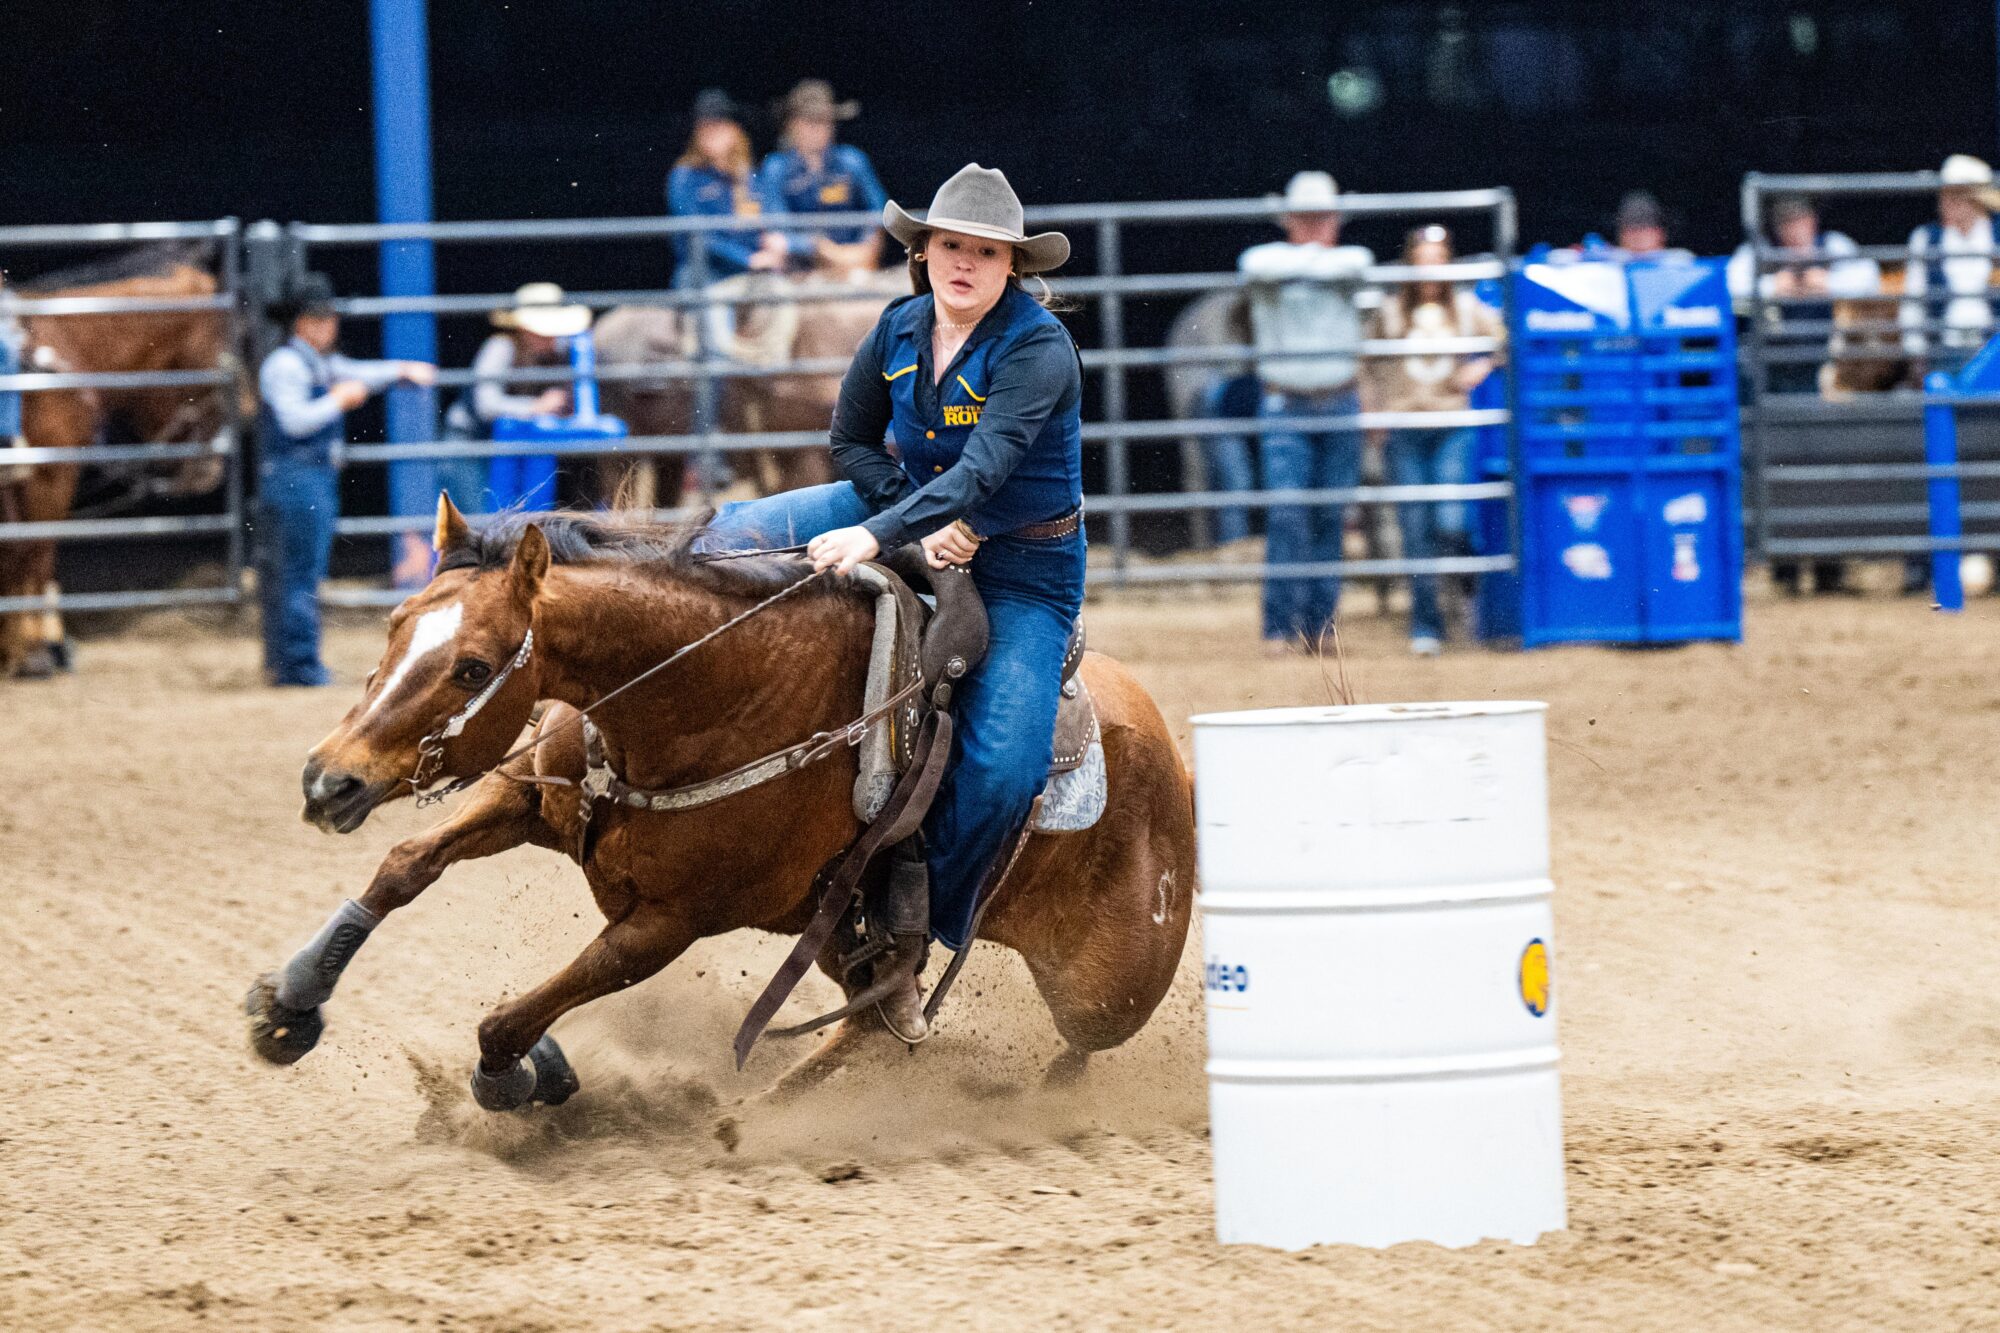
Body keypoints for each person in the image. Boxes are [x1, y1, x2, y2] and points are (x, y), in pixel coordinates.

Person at [701, 164, 1079, 1042]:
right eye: (951, 245)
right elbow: (849, 442)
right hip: (909, 516)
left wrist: (892, 532)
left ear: (1010, 269)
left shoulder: (1038, 349)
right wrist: (909, 523)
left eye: (987, 253)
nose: (965, 263)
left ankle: (909, 937)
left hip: (1025, 567)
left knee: (1003, 765)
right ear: (923, 252)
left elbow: (988, 469)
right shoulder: (898, 328)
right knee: (728, 535)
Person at [256, 273, 434, 685]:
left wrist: (399, 370)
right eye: (321, 319)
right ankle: (298, 664)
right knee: (300, 572)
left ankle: (295, 661)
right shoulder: (287, 365)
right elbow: (296, 420)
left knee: (300, 571)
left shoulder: (312, 362)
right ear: (303, 323)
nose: (329, 326)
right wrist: (339, 399)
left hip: (304, 476)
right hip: (298, 477)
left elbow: (357, 373)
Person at [1237, 170, 1374, 653]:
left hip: (1339, 399)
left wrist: (1305, 263)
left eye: (1323, 218)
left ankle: (1319, 626)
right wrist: (1318, 262)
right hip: (1287, 401)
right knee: (1289, 515)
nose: (1317, 226)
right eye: (1308, 218)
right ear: (1289, 220)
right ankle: (1280, 625)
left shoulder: (1349, 261)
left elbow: (1357, 264)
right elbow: (1255, 266)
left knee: (1330, 518)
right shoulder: (1268, 261)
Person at [1360, 224, 1505, 655]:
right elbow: (1364, 362)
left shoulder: (1465, 308)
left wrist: (1484, 364)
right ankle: (1427, 624)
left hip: (1450, 424)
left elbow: (1506, 336)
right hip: (1405, 429)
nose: (1429, 270)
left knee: (1450, 520)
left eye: (1438, 260)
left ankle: (1462, 594)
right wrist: (1372, 408)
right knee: (1414, 529)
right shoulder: (1389, 313)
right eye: (1422, 260)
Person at [1728, 195, 1879, 597]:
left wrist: (1823, 283)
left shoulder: (1836, 248)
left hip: (1827, 376)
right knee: (1779, 473)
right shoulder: (1757, 255)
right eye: (1787, 225)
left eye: (1800, 223)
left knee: (1829, 471)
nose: (1795, 232)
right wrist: (1775, 286)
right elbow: (1733, 285)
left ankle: (1831, 567)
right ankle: (1787, 568)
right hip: (1774, 382)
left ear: (1812, 222)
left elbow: (1868, 279)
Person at [443, 283, 592, 514]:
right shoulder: (501, 347)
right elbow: (486, 405)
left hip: (515, 448)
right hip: (472, 445)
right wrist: (536, 406)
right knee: (479, 520)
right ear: (523, 329)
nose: (551, 337)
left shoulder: (559, 352)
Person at [755, 80, 889, 274]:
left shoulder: (852, 160)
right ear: (792, 125)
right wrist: (819, 248)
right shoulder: (776, 167)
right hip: (800, 266)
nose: (818, 129)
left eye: (825, 121)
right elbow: (776, 228)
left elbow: (879, 214)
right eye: (810, 121)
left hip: (854, 263)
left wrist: (864, 251)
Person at [666, 88, 785, 284]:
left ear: (735, 130)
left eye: (719, 124)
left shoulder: (750, 177)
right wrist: (747, 259)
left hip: (754, 271)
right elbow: (699, 236)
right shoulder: (684, 177)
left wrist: (775, 240)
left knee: (782, 294)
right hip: (706, 273)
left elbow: (770, 215)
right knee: (716, 306)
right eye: (705, 126)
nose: (711, 132)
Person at [1901, 154, 2000, 372]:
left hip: (1994, 351)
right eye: (1944, 194)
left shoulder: (1997, 236)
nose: (1945, 202)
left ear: (1976, 200)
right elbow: (1913, 303)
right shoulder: (1925, 239)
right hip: (1943, 352)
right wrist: (1916, 355)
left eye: (1956, 195)